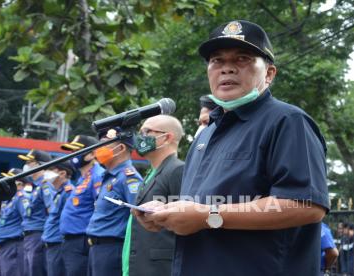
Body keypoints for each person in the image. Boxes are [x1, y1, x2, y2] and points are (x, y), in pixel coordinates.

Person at [133, 20, 329, 276]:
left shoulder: (288, 121)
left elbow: (307, 205)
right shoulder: (207, 133)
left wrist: (208, 215)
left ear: (269, 74)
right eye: (217, 61)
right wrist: (167, 213)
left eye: (242, 58)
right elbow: (200, 205)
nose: (227, 69)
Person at [122, 115, 185, 276]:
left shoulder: (176, 170)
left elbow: (184, 220)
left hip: (158, 268)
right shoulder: (152, 173)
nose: (140, 137)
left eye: (147, 131)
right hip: (138, 264)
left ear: (167, 137)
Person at [86, 128, 143, 276]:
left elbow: (139, 216)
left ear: (121, 148)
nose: (98, 149)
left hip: (112, 249)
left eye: (104, 144)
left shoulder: (129, 178)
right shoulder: (109, 177)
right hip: (96, 249)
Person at [59, 135, 105, 276]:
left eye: (77, 151)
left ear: (91, 154)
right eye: (71, 151)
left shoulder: (97, 175)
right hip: (72, 240)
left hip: (81, 240)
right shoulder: (83, 178)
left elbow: (100, 207)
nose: (73, 155)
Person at [41, 160, 74, 276]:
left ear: (62, 174)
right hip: (52, 243)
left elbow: (68, 219)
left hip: (59, 243)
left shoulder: (69, 192)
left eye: (51, 170)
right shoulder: (59, 192)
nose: (46, 173)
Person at [0, 175, 26, 276]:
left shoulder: (21, 198)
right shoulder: (9, 201)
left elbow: (26, 218)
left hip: (13, 244)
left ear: (19, 184)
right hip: (3, 245)